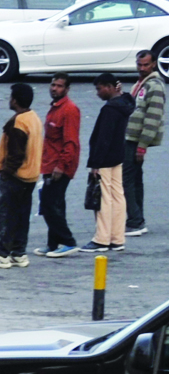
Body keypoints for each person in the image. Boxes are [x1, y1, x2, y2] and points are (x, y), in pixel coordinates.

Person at [0, 83, 43, 268]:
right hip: (31, 176)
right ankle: (19, 253)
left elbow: (16, 154)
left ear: (15, 100)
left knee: (6, 215)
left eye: (11, 97)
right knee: (22, 216)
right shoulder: (34, 118)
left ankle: (3, 254)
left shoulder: (19, 123)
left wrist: (6, 172)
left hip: (16, 176)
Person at [88, 73, 135, 254]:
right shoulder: (125, 104)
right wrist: (121, 92)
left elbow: (103, 139)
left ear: (108, 87)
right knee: (118, 196)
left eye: (100, 89)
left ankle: (102, 239)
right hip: (118, 156)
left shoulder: (109, 110)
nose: (98, 93)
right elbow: (129, 99)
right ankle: (117, 238)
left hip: (105, 159)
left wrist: (95, 164)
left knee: (104, 198)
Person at [37, 74, 81, 257]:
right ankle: (53, 243)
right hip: (50, 163)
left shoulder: (69, 110)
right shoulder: (55, 108)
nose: (54, 88)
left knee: (49, 204)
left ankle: (68, 241)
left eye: (59, 86)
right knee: (55, 204)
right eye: (53, 85)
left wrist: (61, 166)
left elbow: (70, 142)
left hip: (59, 165)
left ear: (67, 89)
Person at [125, 49, 165, 236]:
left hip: (136, 141)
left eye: (146, 65)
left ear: (154, 64)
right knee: (135, 180)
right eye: (139, 65)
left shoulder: (154, 86)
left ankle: (135, 221)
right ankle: (137, 218)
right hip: (132, 139)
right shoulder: (141, 84)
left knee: (128, 180)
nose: (142, 68)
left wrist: (142, 146)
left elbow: (153, 118)